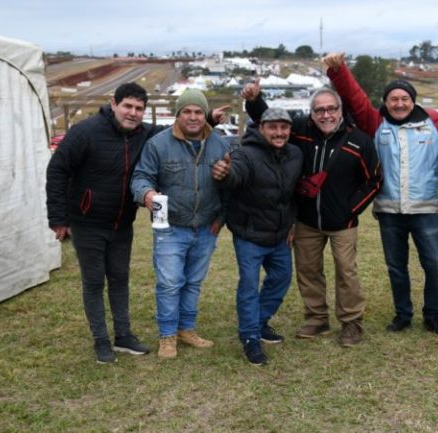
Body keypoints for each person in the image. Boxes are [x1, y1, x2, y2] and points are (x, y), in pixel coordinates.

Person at [324, 53, 438, 336]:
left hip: (425, 211)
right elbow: (355, 97)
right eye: (393, 99)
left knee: (435, 265)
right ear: (386, 102)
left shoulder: (436, 123)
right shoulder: (376, 124)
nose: (399, 104)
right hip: (389, 212)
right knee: (396, 267)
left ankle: (433, 315)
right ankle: (403, 314)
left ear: (413, 101)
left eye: (405, 99)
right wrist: (339, 71)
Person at [243, 81, 381, 347]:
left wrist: (351, 209)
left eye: (331, 109)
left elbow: (374, 180)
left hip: (343, 222)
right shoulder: (300, 132)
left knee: (346, 272)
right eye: (319, 110)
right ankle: (317, 317)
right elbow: (271, 122)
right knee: (308, 271)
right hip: (306, 220)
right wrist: (254, 99)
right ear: (311, 113)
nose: (325, 115)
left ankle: (351, 322)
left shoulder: (359, 140)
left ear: (340, 111)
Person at [46, 82, 158, 364]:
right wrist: (58, 218)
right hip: (87, 223)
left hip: (122, 224)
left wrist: (205, 119)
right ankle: (101, 340)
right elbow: (57, 170)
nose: (132, 113)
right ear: (114, 103)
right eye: (128, 106)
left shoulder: (144, 134)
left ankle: (123, 336)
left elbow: (177, 132)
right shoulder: (85, 132)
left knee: (120, 279)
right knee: (94, 282)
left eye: (139, 109)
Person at [130, 88, 231, 359]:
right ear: (178, 114)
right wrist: (146, 194)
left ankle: (187, 328)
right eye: (187, 111)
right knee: (170, 283)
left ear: (205, 115)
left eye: (198, 111)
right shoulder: (158, 145)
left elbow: (231, 187)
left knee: (193, 281)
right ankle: (167, 335)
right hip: (171, 227)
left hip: (206, 227)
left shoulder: (221, 144)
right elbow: (140, 177)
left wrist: (220, 219)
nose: (193, 117)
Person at [212, 107, 303, 365]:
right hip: (249, 234)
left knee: (281, 279)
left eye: (283, 127)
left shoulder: (295, 154)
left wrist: (292, 222)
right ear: (261, 128)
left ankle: (259, 322)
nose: (279, 132)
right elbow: (235, 174)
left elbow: (294, 193)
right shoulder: (245, 154)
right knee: (249, 286)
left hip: (280, 234)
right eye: (272, 127)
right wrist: (225, 174)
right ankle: (250, 337)